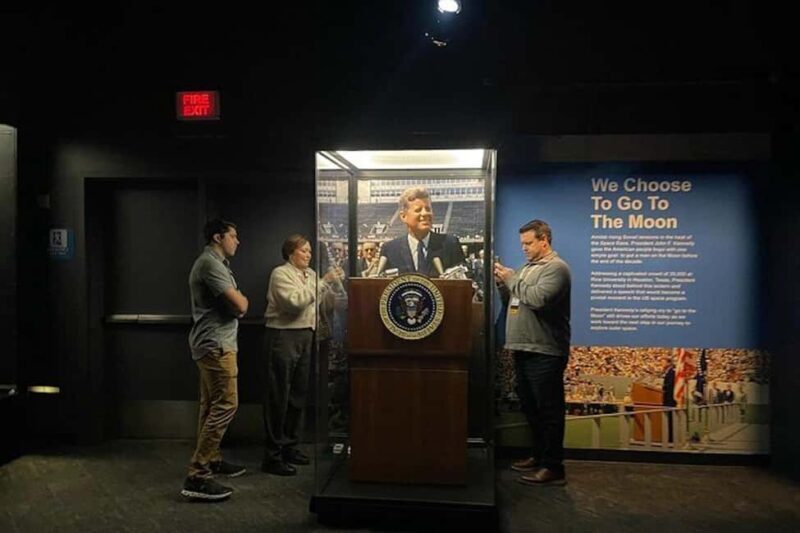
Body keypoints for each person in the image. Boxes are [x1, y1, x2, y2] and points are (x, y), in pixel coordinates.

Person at [494, 219, 571, 486]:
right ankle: (539, 457)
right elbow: (515, 301)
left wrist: (511, 278)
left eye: (528, 243)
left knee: (549, 411)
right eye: (522, 244)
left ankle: (553, 467)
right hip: (524, 349)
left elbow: (537, 300)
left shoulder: (557, 269)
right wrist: (504, 285)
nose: (524, 248)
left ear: (544, 240)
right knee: (531, 408)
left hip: (545, 352)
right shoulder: (527, 269)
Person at [181, 219, 249, 501]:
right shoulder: (210, 265)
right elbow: (240, 304)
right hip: (216, 346)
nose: (238, 241)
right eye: (233, 236)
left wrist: (238, 305)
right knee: (226, 404)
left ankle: (213, 459)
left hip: (213, 343)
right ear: (218, 237)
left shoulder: (215, 264)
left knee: (210, 406)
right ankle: (198, 474)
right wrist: (241, 303)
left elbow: (236, 305)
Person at [262, 234, 338, 475]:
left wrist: (334, 285)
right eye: (303, 251)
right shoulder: (280, 274)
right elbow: (295, 303)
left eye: (309, 251)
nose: (308, 254)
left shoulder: (311, 275)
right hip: (283, 336)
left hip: (306, 335)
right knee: (279, 395)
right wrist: (324, 283)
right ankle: (272, 455)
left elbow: (318, 304)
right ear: (290, 253)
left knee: (297, 394)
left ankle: (290, 447)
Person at [379, 186, 464, 276]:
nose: (425, 213)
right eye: (418, 210)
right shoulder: (390, 249)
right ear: (403, 216)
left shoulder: (450, 244)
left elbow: (465, 282)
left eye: (428, 209)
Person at [661, 355, 677, 442]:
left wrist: (662, 387)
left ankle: (671, 439)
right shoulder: (667, 372)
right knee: (668, 421)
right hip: (667, 400)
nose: (661, 363)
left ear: (669, 363)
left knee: (670, 420)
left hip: (669, 400)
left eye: (663, 361)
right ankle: (668, 437)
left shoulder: (672, 372)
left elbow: (669, 386)